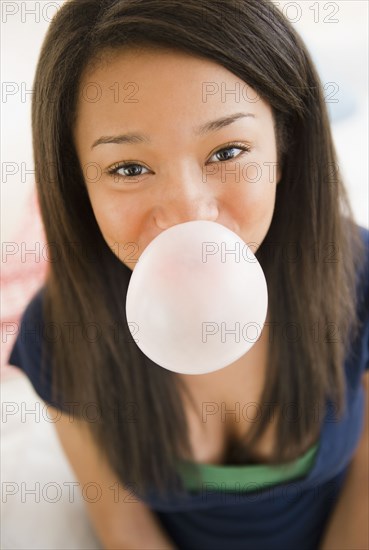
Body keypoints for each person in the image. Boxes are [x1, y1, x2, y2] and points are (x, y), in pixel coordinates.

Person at [8, 0, 368, 548]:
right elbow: (123, 525)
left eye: (227, 150)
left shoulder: (361, 279)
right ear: (77, 180)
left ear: (285, 144)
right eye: (129, 168)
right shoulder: (57, 333)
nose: (188, 213)